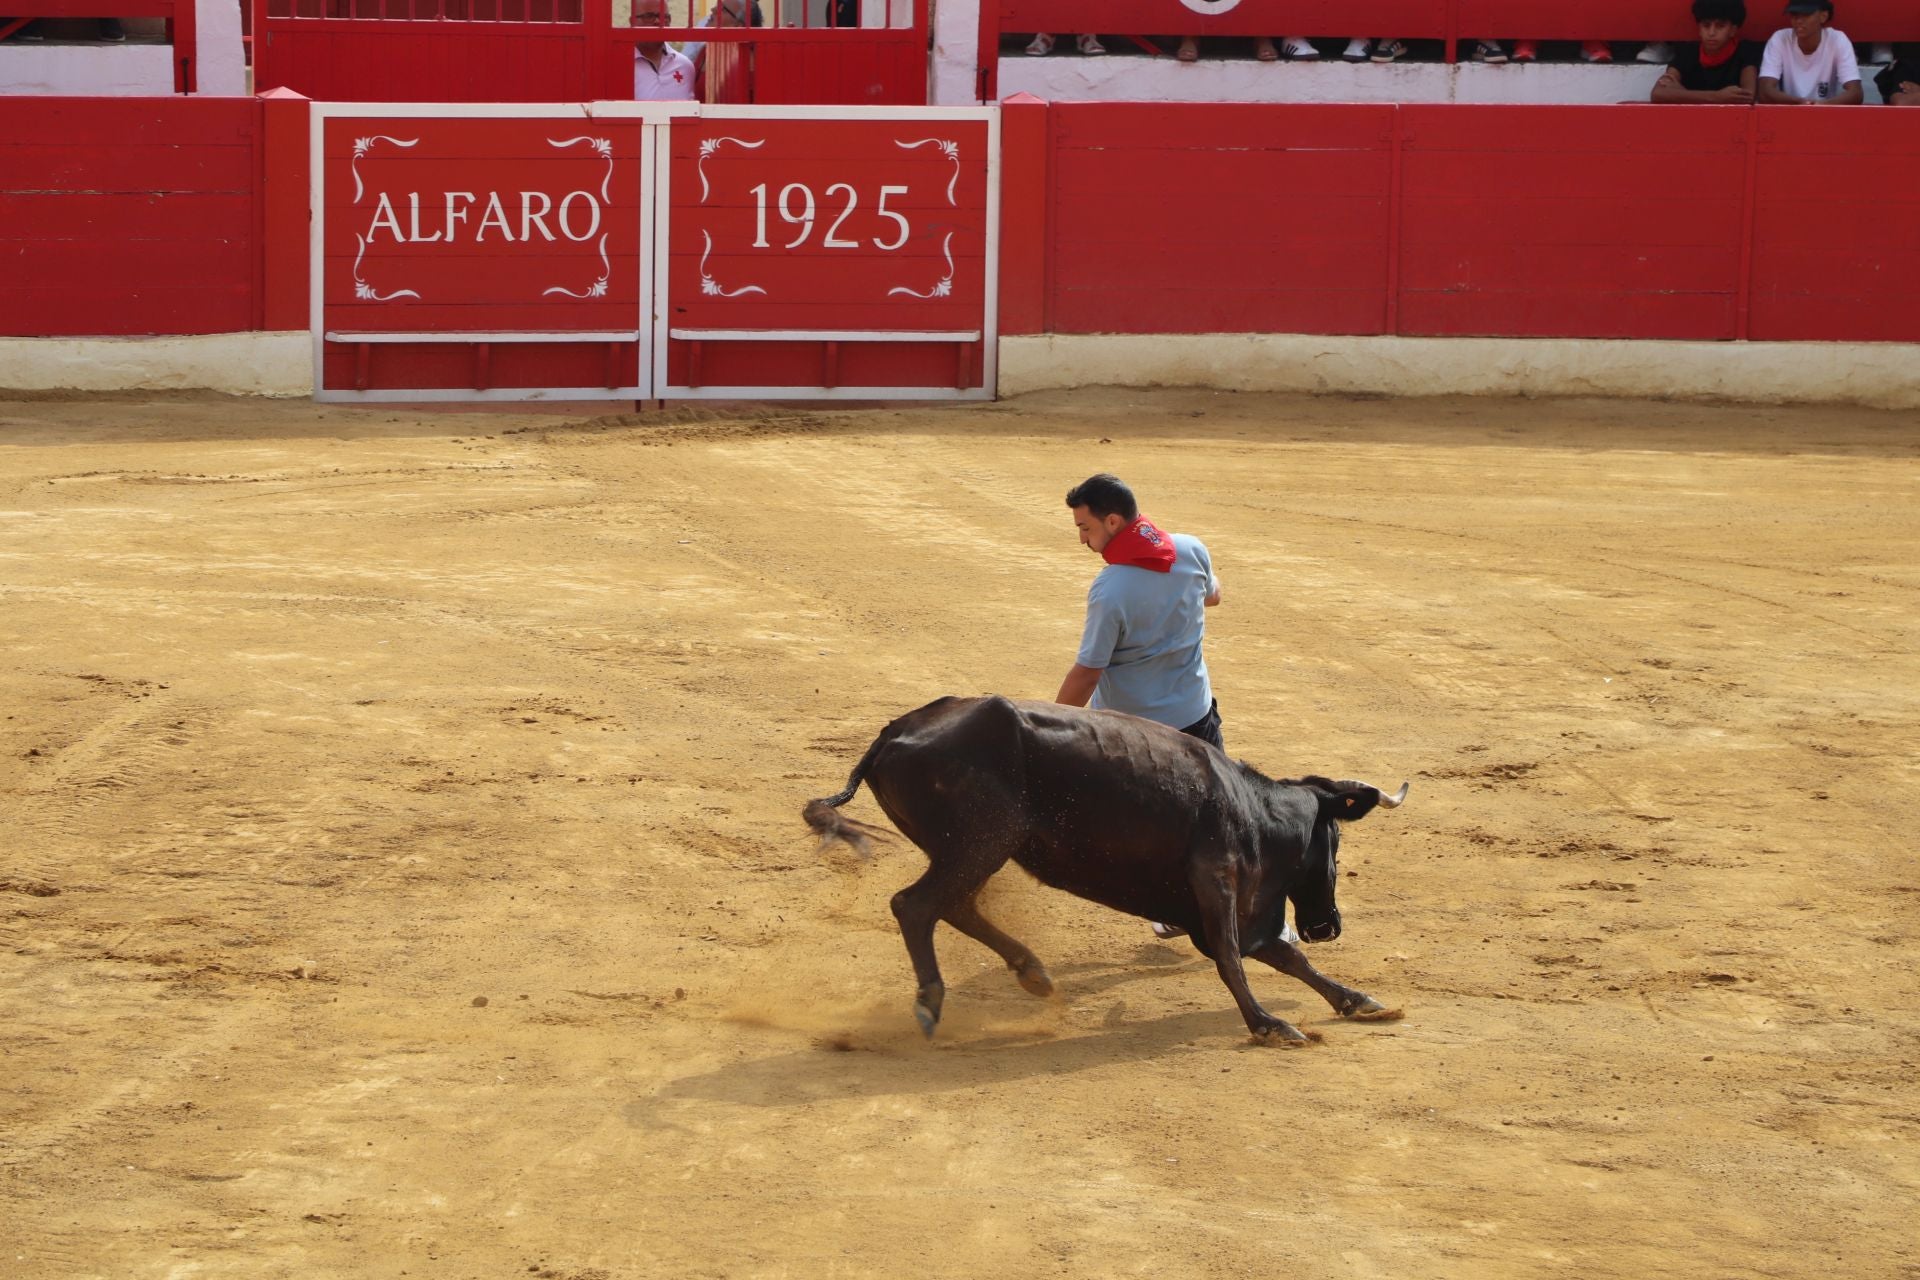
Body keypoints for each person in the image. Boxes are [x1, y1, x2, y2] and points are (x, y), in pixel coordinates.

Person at [1056, 473, 1223, 746]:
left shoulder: (1110, 589)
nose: (1081, 539)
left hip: (1135, 740)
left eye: (1085, 528)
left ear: (1112, 521)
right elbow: (1213, 595)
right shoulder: (1191, 550)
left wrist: (1052, 725)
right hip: (1197, 723)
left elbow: (1087, 675)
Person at [1651, 0, 1761, 101]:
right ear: (1699, 28)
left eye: (1720, 26)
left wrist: (1682, 92)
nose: (1711, 33)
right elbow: (1658, 93)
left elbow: (1748, 96)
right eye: (1706, 25)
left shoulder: (1745, 51)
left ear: (1733, 30)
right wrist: (1718, 97)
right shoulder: (1688, 52)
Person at [1758, 0, 1862, 104]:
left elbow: (1856, 94)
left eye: (1806, 14)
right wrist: (1802, 104)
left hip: (1826, 114)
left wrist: (1821, 106)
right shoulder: (1780, 38)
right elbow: (1764, 92)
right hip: (1788, 113)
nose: (1798, 20)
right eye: (1794, 14)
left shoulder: (1838, 39)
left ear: (1823, 16)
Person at [631, 0, 695, 101]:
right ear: (632, 22)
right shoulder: (620, 64)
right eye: (649, 16)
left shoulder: (685, 66)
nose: (657, 21)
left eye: (663, 17)